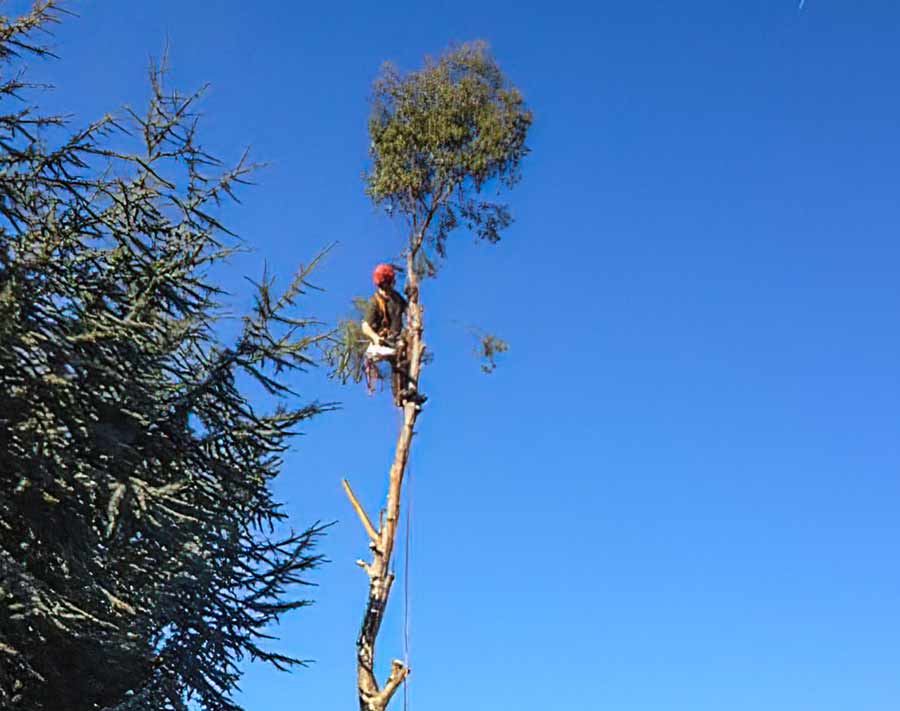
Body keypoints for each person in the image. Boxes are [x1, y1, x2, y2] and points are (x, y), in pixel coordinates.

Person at [361, 263, 425, 408]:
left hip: (397, 339)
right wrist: (376, 338)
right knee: (398, 356)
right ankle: (399, 394)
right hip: (381, 344)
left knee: (407, 358)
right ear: (386, 283)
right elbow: (365, 326)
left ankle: (410, 391)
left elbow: (408, 308)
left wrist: (412, 297)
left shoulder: (395, 298)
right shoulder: (375, 302)